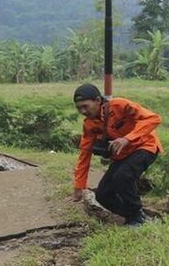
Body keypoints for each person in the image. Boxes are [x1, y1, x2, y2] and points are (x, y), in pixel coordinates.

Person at [70, 84, 163, 225]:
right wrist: (79, 186)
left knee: (123, 176)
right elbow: (85, 155)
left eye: (85, 106)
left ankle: (138, 217)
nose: (83, 111)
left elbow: (154, 118)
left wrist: (128, 138)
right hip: (121, 156)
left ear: (97, 100)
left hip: (144, 146)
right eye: (79, 108)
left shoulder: (120, 105)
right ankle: (135, 215)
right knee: (103, 195)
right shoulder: (89, 125)